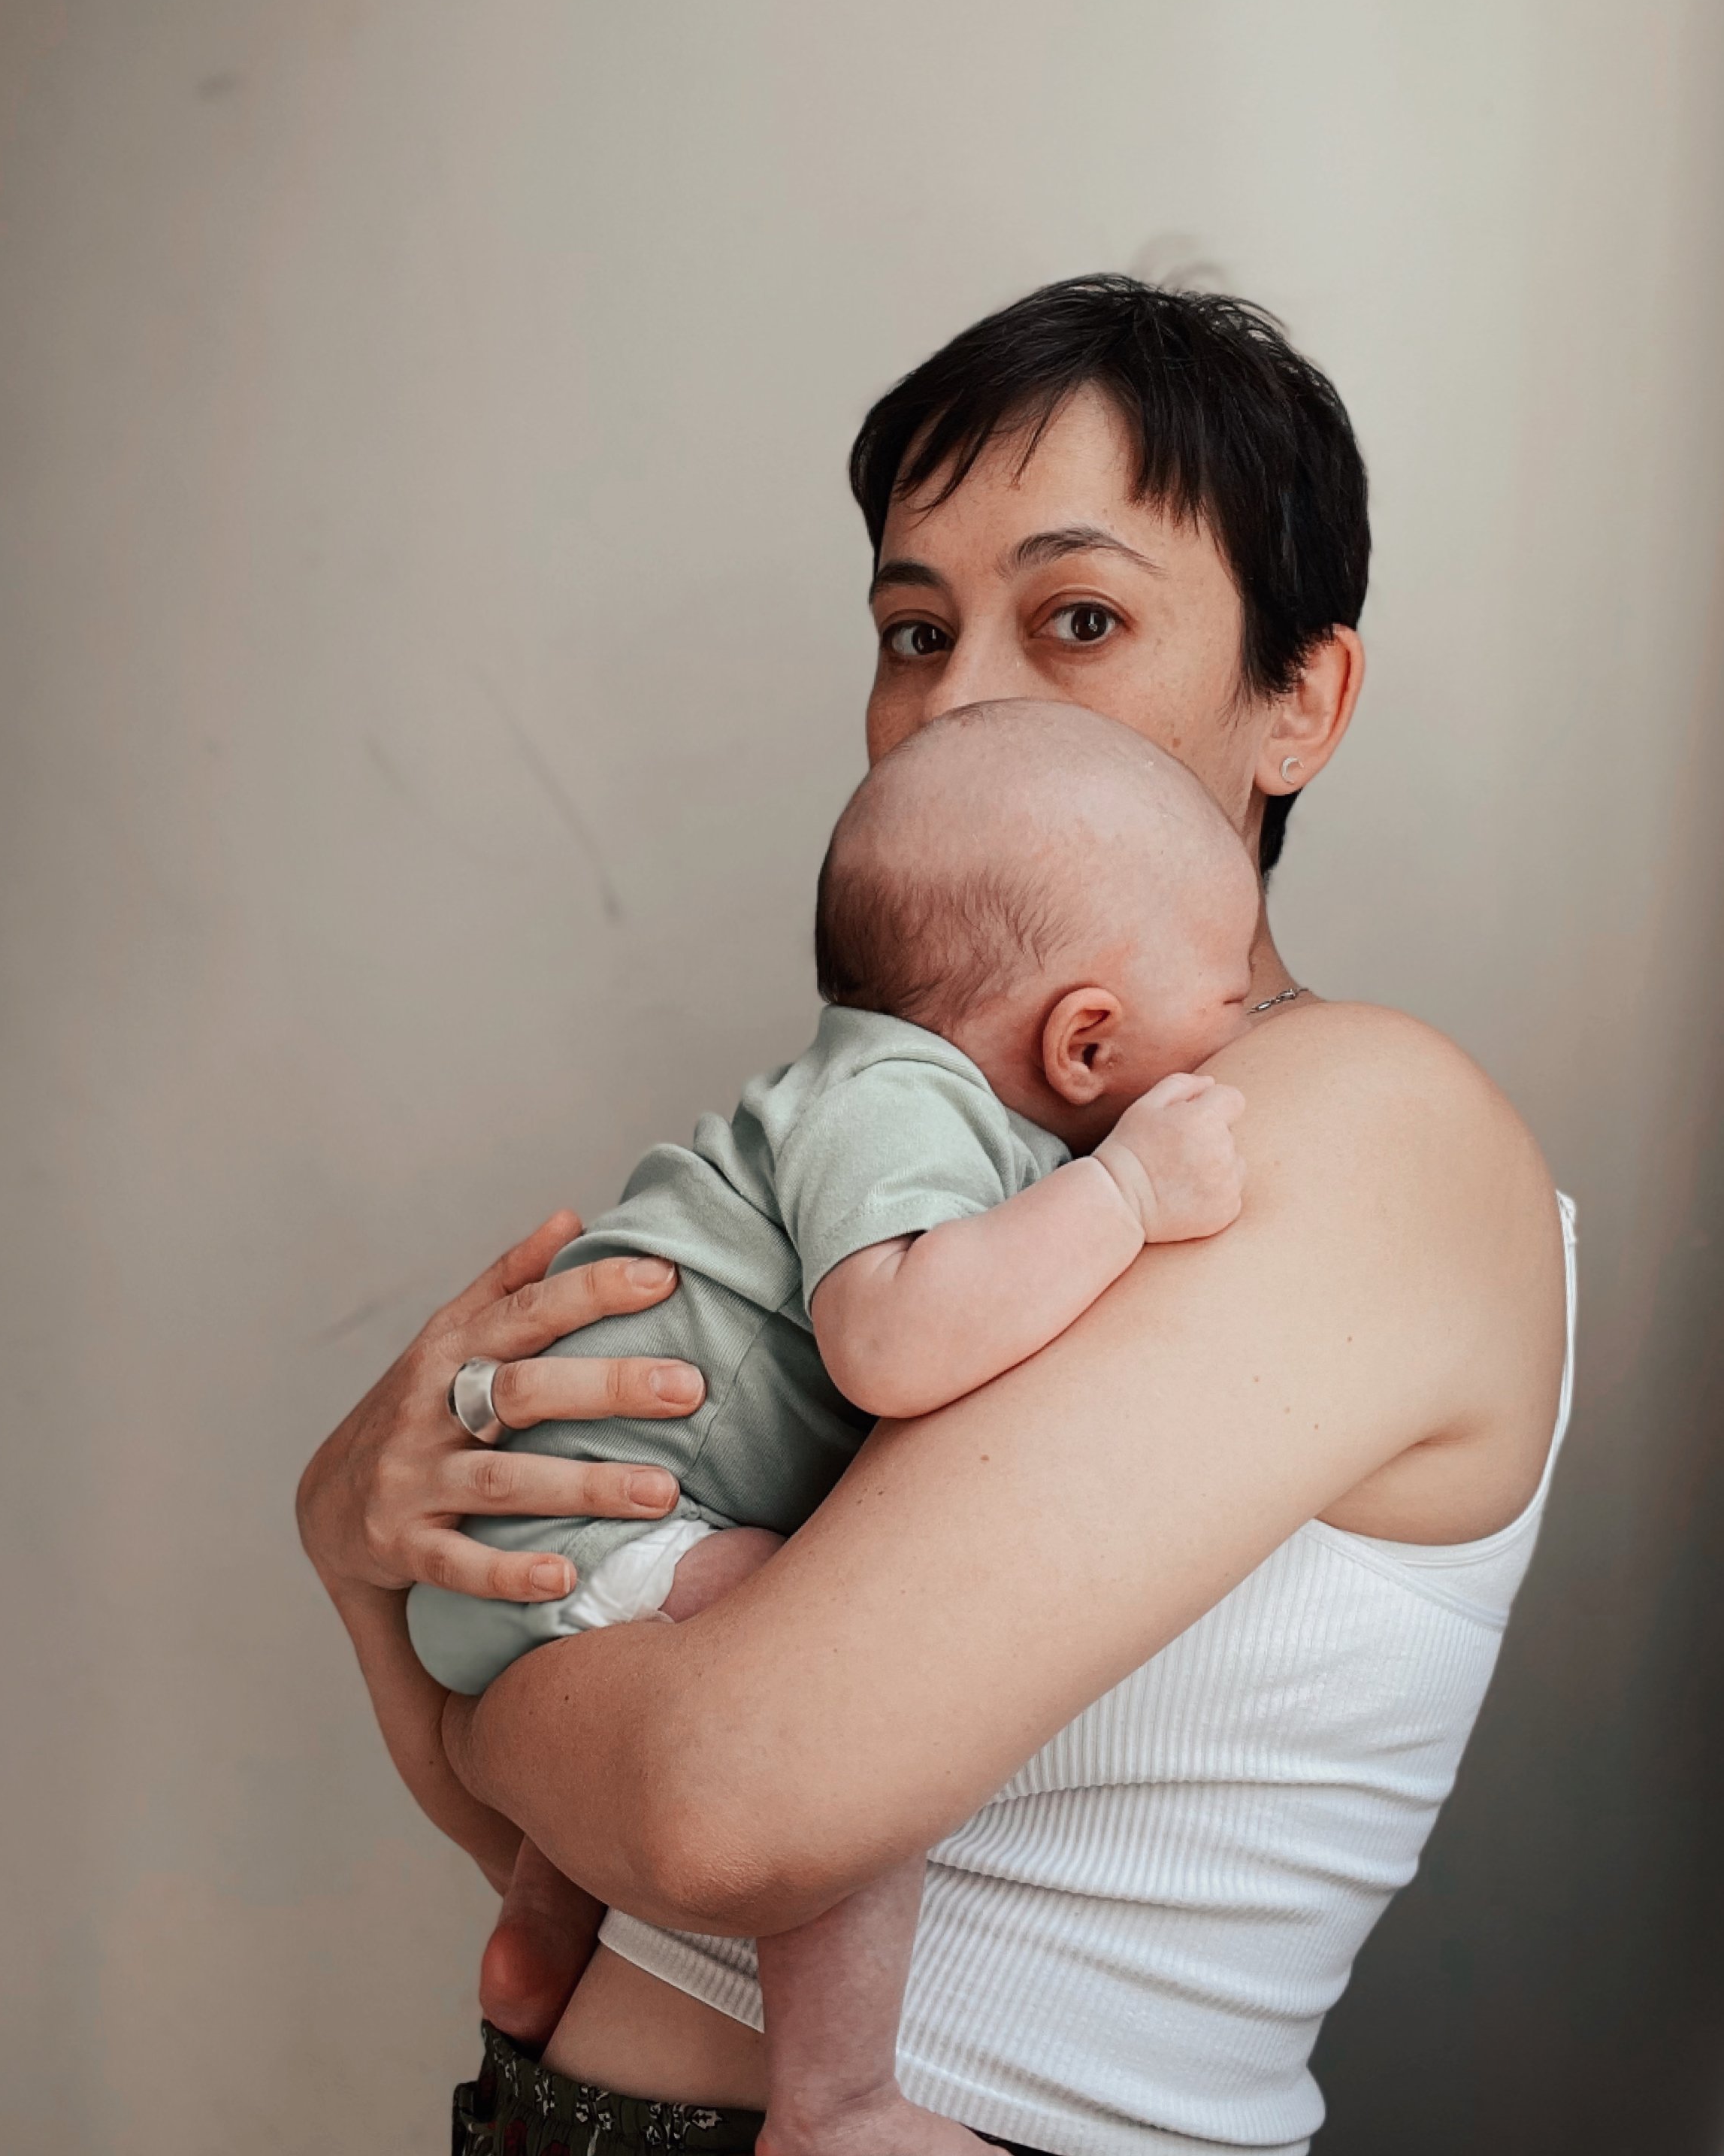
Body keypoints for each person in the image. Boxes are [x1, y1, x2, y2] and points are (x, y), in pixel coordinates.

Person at [298, 275, 1574, 2156]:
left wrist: (501, 1699)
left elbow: (720, 1807)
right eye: (914, 627)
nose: (954, 701)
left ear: (1299, 699)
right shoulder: (956, 1152)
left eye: (1079, 616)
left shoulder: (1347, 1119)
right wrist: (362, 1555)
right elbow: (565, 1834)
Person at [405, 701, 1257, 2156]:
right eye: (1228, 1000)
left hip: (550, 1531)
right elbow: (890, 1341)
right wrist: (1126, 1194)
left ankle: (540, 1940)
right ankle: (838, 2101)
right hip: (588, 1520)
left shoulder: (879, 1092)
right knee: (847, 1722)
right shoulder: (895, 1102)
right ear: (1086, 1038)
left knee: (752, 1661)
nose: (1238, 1037)